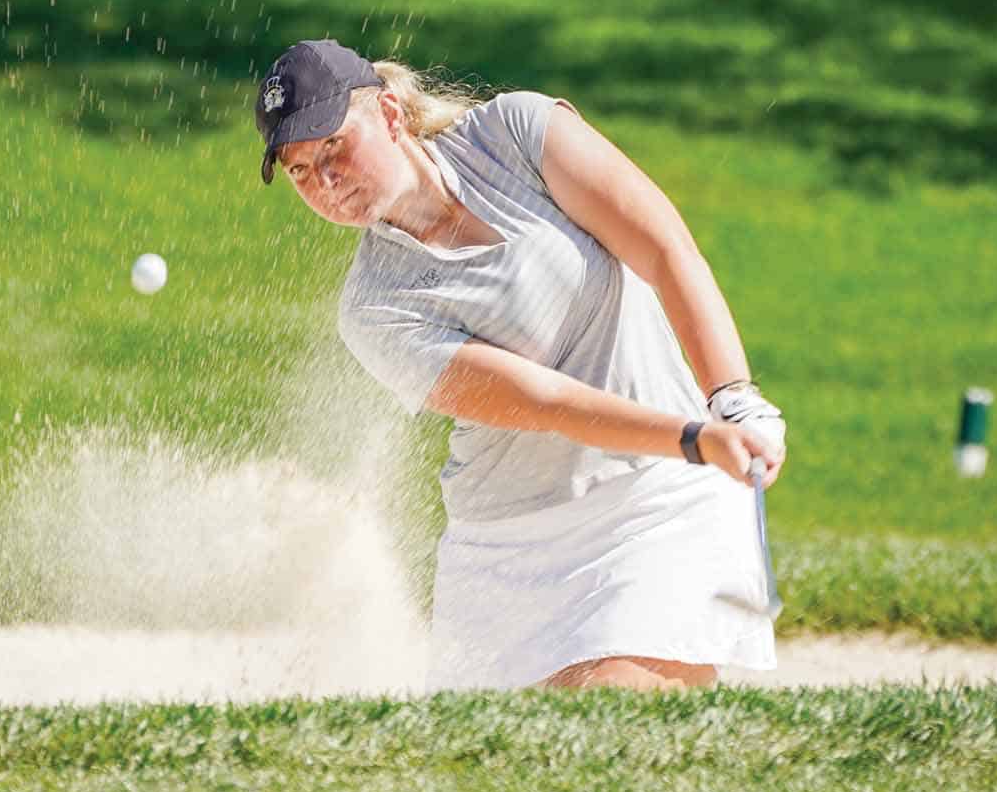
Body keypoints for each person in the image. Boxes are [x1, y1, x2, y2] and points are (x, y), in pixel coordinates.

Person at [255, 39, 786, 693]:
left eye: (334, 147)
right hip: (508, 548)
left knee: (619, 714)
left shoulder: (519, 131)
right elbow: (545, 402)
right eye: (301, 171)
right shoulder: (374, 309)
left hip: (661, 499)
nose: (326, 182)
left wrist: (732, 399)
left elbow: (664, 247)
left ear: (390, 114)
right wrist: (697, 437)